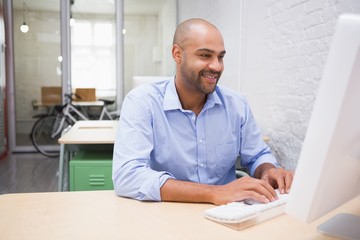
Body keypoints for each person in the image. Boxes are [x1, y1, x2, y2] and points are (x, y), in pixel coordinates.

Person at [112, 18, 293, 206]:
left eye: (220, 57)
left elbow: (257, 155)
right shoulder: (142, 102)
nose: (216, 66)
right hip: (169, 213)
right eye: (205, 55)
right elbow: (128, 176)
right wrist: (214, 193)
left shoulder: (237, 105)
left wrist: (267, 170)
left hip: (228, 214)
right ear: (177, 54)